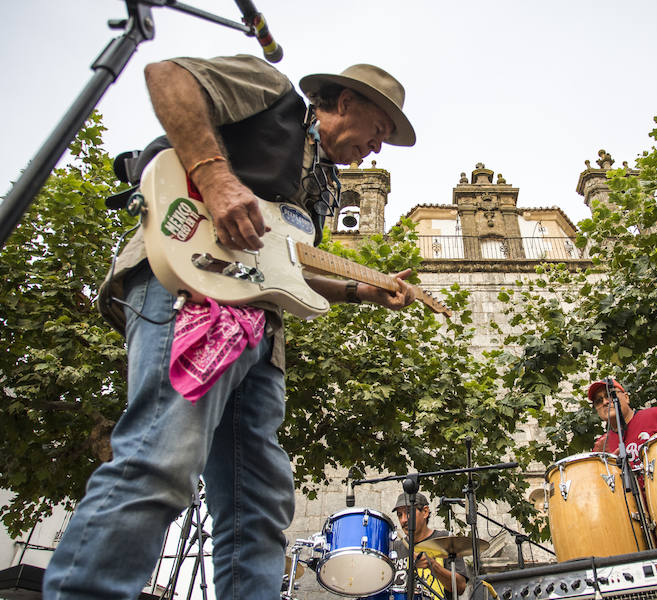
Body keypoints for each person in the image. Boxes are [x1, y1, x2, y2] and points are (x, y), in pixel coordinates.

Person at [43, 55, 418, 600]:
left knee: (259, 505)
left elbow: (286, 268)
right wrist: (216, 179)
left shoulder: (323, 185)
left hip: (259, 334)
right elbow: (168, 76)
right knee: (160, 461)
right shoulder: (272, 91)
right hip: (190, 290)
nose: (377, 148)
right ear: (344, 102)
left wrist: (364, 289)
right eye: (379, 130)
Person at [589, 378, 657, 469]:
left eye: (610, 395)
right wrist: (608, 467)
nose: (605, 402)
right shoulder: (602, 446)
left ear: (626, 397)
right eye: (599, 401)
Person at [392, 492, 468, 599]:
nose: (403, 520)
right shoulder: (394, 548)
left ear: (425, 512)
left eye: (408, 512)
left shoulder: (446, 540)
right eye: (400, 515)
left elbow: (460, 587)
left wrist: (433, 565)